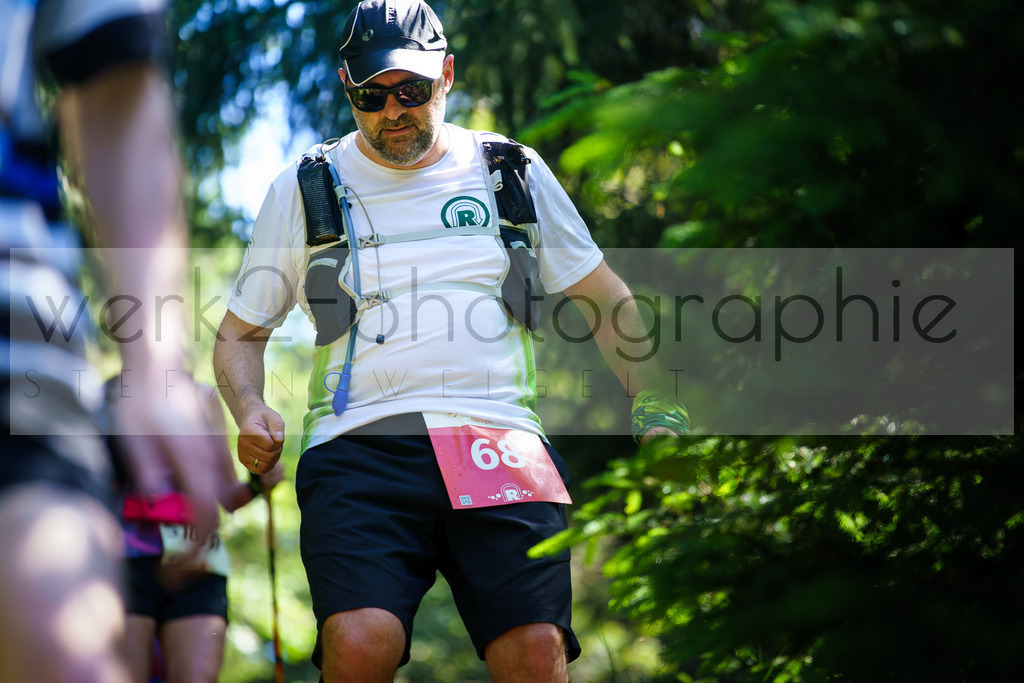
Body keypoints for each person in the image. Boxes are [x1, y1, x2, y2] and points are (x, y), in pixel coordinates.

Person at [212, 1, 689, 681]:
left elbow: (606, 300)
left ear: (448, 76)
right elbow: (239, 333)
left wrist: (656, 404)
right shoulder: (306, 185)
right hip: (359, 444)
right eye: (370, 96)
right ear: (348, 89)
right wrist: (249, 407)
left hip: (498, 433)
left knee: (534, 650)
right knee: (358, 643)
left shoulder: (509, 170)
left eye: (411, 89)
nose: (392, 110)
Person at [1, 1, 228, 680]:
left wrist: (157, 364)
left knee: (66, 652)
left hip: (16, 320)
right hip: (131, 553)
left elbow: (115, 80)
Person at [109, 376, 285, 683]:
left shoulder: (204, 397)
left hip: (198, 559)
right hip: (126, 560)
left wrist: (258, 482)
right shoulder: (112, 392)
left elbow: (228, 498)